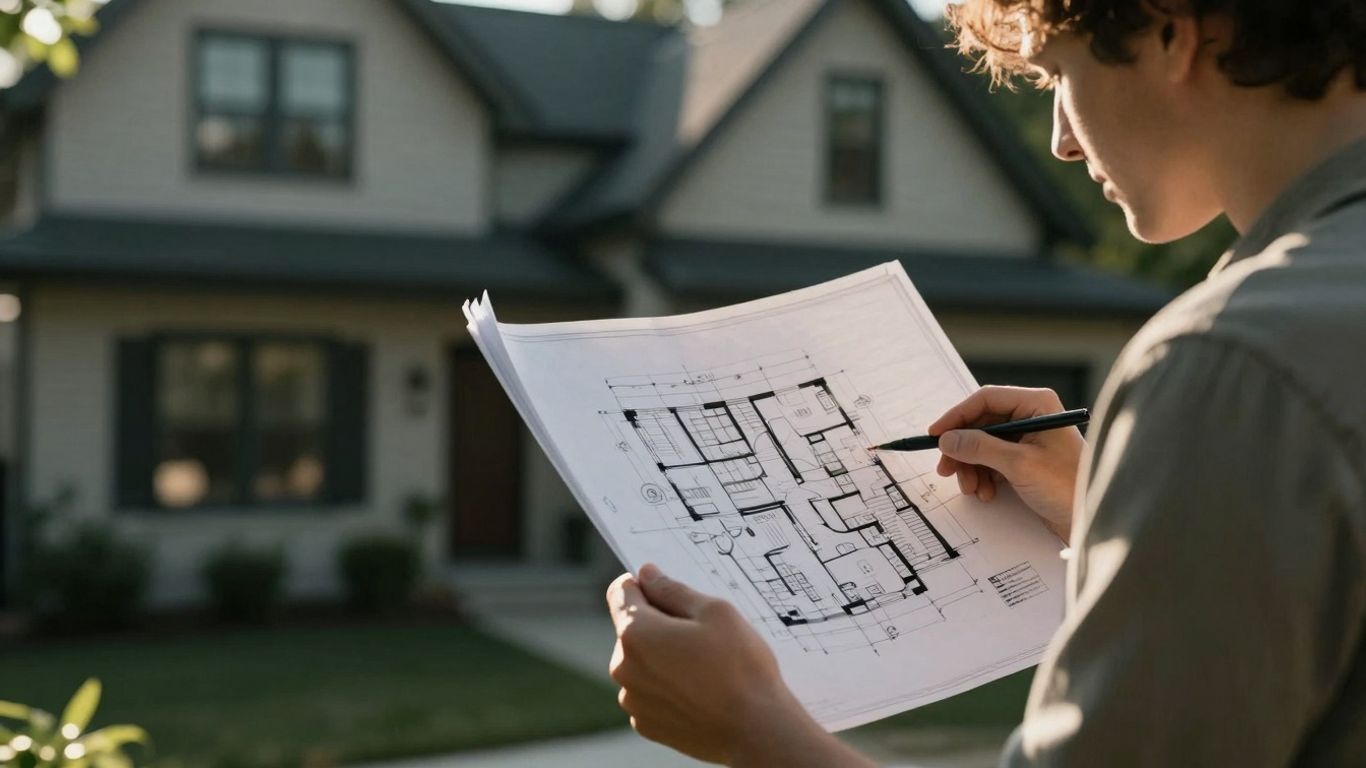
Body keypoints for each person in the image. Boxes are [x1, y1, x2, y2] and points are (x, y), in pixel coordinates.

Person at [605, 0, 1366, 765]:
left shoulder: (1234, 360)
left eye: (1058, 74)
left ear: (1173, 31)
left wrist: (754, 728)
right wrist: (1111, 516)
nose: (1062, 141)